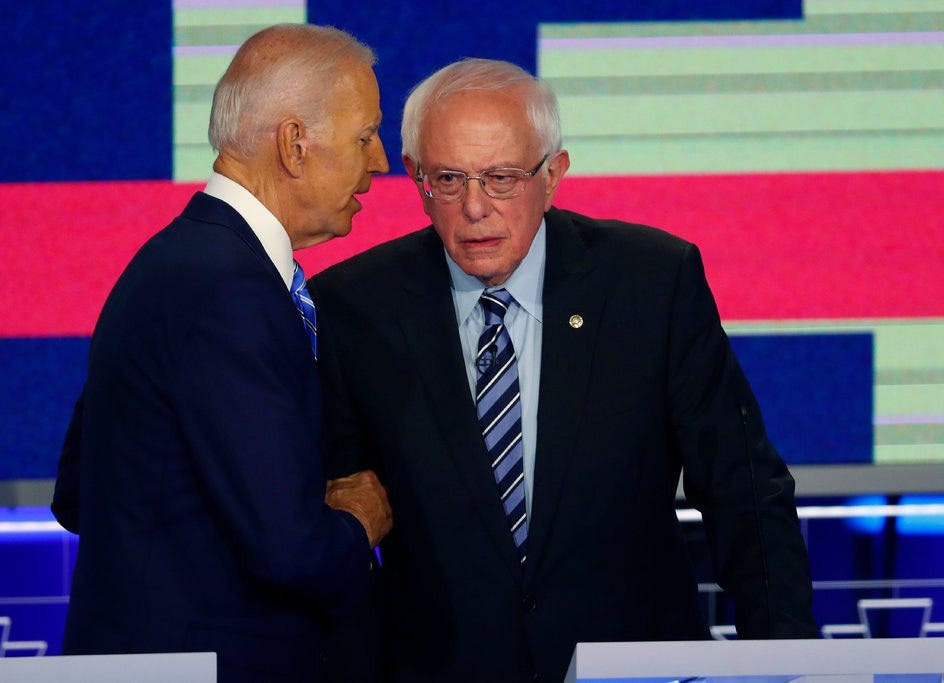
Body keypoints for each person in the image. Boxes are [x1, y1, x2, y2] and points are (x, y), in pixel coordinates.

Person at [310, 58, 817, 683]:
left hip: (634, 667)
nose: (474, 208)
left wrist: (792, 664)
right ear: (415, 177)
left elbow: (743, 488)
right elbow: (335, 520)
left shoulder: (651, 283)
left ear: (553, 175)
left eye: (500, 178)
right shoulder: (352, 306)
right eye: (448, 178)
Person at [50, 24, 392, 683]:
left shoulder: (169, 262)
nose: (379, 161)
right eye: (364, 135)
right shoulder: (230, 292)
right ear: (295, 144)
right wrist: (356, 523)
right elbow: (290, 550)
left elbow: (80, 493)